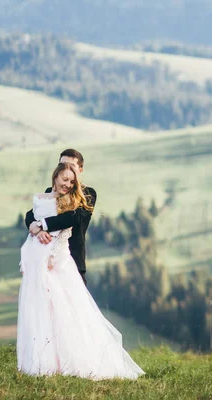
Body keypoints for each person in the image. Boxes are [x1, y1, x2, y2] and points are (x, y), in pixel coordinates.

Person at [17, 162, 144, 379]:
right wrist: (34, 227)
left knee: (67, 308)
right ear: (55, 176)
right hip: (39, 256)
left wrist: (42, 227)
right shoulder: (46, 195)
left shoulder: (79, 197)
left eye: (71, 180)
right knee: (41, 308)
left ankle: (72, 359)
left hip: (60, 258)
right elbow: (31, 214)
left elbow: (70, 220)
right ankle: (43, 360)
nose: (68, 183)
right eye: (64, 179)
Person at [25, 149, 96, 285]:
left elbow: (73, 218)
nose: (66, 169)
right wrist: (38, 230)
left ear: (80, 170)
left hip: (73, 259)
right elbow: (31, 214)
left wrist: (41, 224)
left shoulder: (88, 194)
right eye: (62, 165)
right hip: (45, 259)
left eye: (71, 166)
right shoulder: (49, 193)